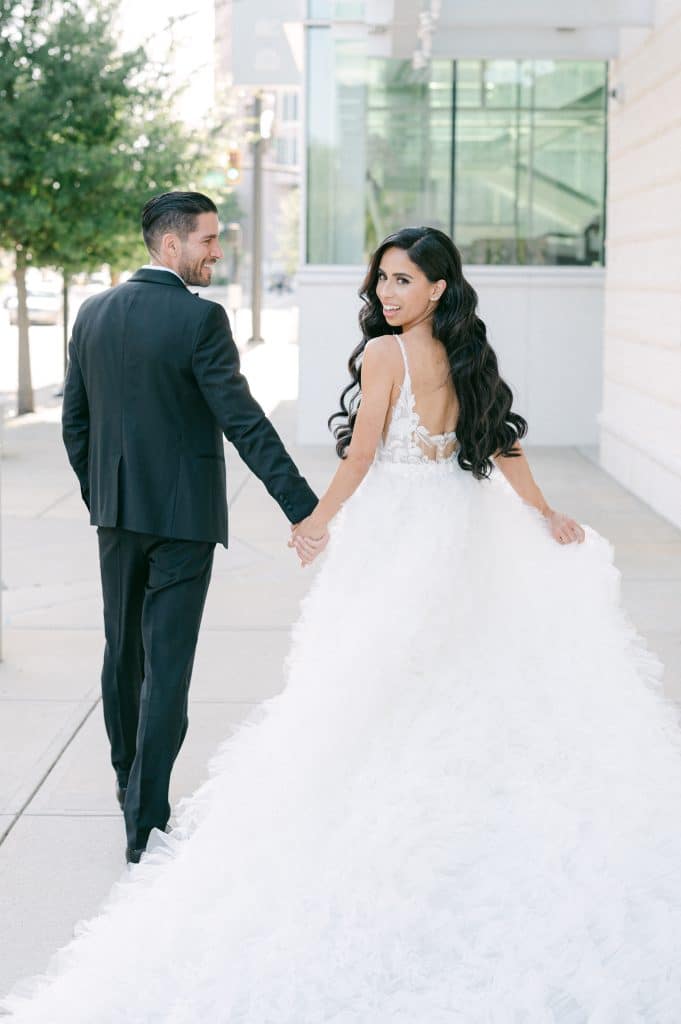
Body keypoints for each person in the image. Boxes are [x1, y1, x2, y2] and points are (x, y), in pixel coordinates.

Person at [5, 226, 681, 1021]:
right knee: (453, 665)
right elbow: (502, 446)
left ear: (437, 287)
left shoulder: (383, 357)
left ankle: (168, 799)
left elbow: (360, 458)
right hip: (458, 522)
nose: (386, 293)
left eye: (402, 280)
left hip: (395, 527)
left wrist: (313, 521)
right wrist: (543, 514)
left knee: (364, 674)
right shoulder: (467, 355)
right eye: (381, 279)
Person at [60, 191, 320, 865]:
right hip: (182, 522)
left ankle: (128, 785)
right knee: (165, 667)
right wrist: (302, 507)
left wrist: (103, 495)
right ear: (170, 245)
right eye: (207, 240)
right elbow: (243, 420)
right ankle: (146, 822)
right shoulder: (200, 320)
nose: (216, 251)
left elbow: (76, 426)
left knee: (123, 656)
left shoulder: (92, 314)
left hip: (116, 517)